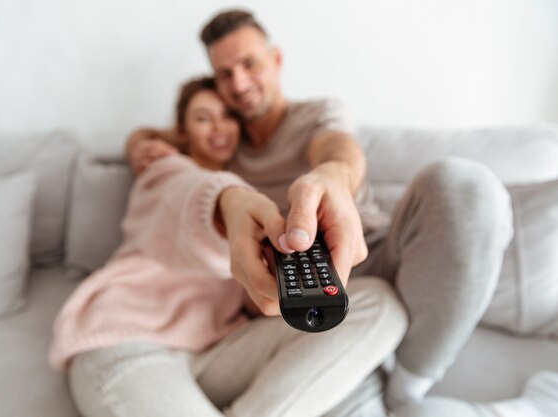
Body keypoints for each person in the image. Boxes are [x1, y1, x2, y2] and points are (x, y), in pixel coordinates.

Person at [126, 10, 558, 417]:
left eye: (248, 64)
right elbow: (175, 151)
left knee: (465, 186)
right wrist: (139, 142)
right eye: (224, 74)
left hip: (374, 258)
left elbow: (338, 150)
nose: (238, 84)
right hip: (304, 305)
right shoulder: (224, 142)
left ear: (275, 60)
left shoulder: (317, 114)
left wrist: (333, 176)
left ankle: (407, 387)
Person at [50, 76, 408, 417]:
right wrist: (230, 203)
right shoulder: (163, 171)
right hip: (129, 337)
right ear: (183, 132)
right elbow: (190, 194)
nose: (219, 127)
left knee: (378, 303)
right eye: (203, 118)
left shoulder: (254, 190)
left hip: (219, 347)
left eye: (227, 117)